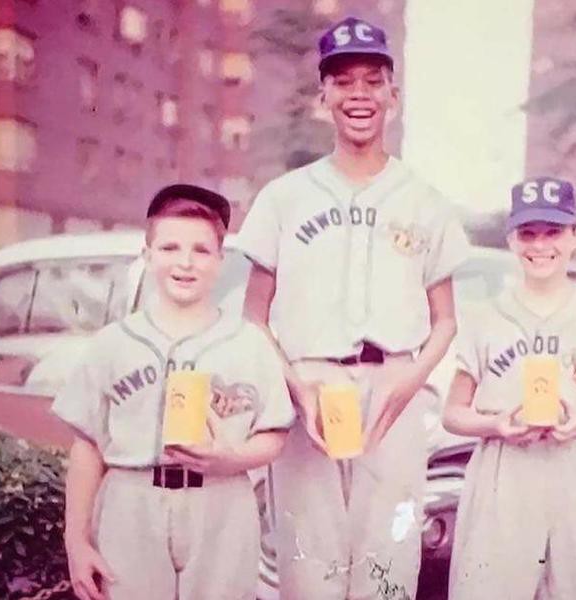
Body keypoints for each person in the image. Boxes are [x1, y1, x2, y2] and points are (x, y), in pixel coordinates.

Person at [235, 16, 470, 600]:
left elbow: (446, 320)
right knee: (308, 565)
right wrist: (294, 385)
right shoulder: (285, 197)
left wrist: (412, 377)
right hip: (308, 388)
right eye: (342, 82)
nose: (357, 95)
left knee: (387, 566)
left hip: (392, 383)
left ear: (394, 95)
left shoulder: (424, 201)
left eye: (372, 81)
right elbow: (252, 317)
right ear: (323, 98)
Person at [53, 184, 295, 600]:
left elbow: (274, 434)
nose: (185, 263)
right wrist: (76, 541)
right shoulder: (113, 343)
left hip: (220, 502)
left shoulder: (249, 343)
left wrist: (234, 458)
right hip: (133, 500)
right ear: (147, 256)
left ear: (220, 260)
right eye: (169, 248)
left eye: (201, 250)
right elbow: (87, 446)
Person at [443, 177, 576, 600]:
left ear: (575, 235)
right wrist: (497, 423)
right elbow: (453, 413)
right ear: (512, 240)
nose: (540, 246)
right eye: (528, 234)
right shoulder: (486, 316)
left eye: (553, 232)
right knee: (492, 584)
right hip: (507, 465)